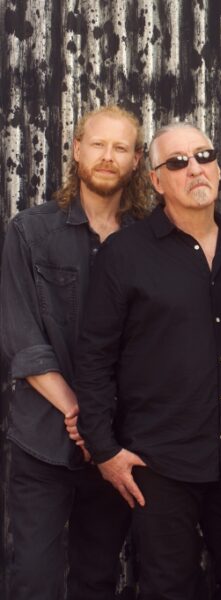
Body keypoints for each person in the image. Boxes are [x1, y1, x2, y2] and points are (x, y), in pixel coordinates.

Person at [74, 122, 221, 599]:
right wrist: (104, 451)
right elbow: (94, 357)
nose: (195, 169)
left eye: (204, 156)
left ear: (219, 168)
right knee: (168, 589)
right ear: (156, 180)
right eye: (177, 162)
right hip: (158, 467)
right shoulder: (125, 253)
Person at [0, 105, 149, 599]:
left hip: (116, 445)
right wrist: (80, 414)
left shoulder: (149, 241)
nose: (108, 156)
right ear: (77, 150)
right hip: (43, 440)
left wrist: (101, 429)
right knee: (34, 579)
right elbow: (20, 335)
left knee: (97, 579)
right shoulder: (29, 232)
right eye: (98, 144)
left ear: (136, 161)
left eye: (120, 148)